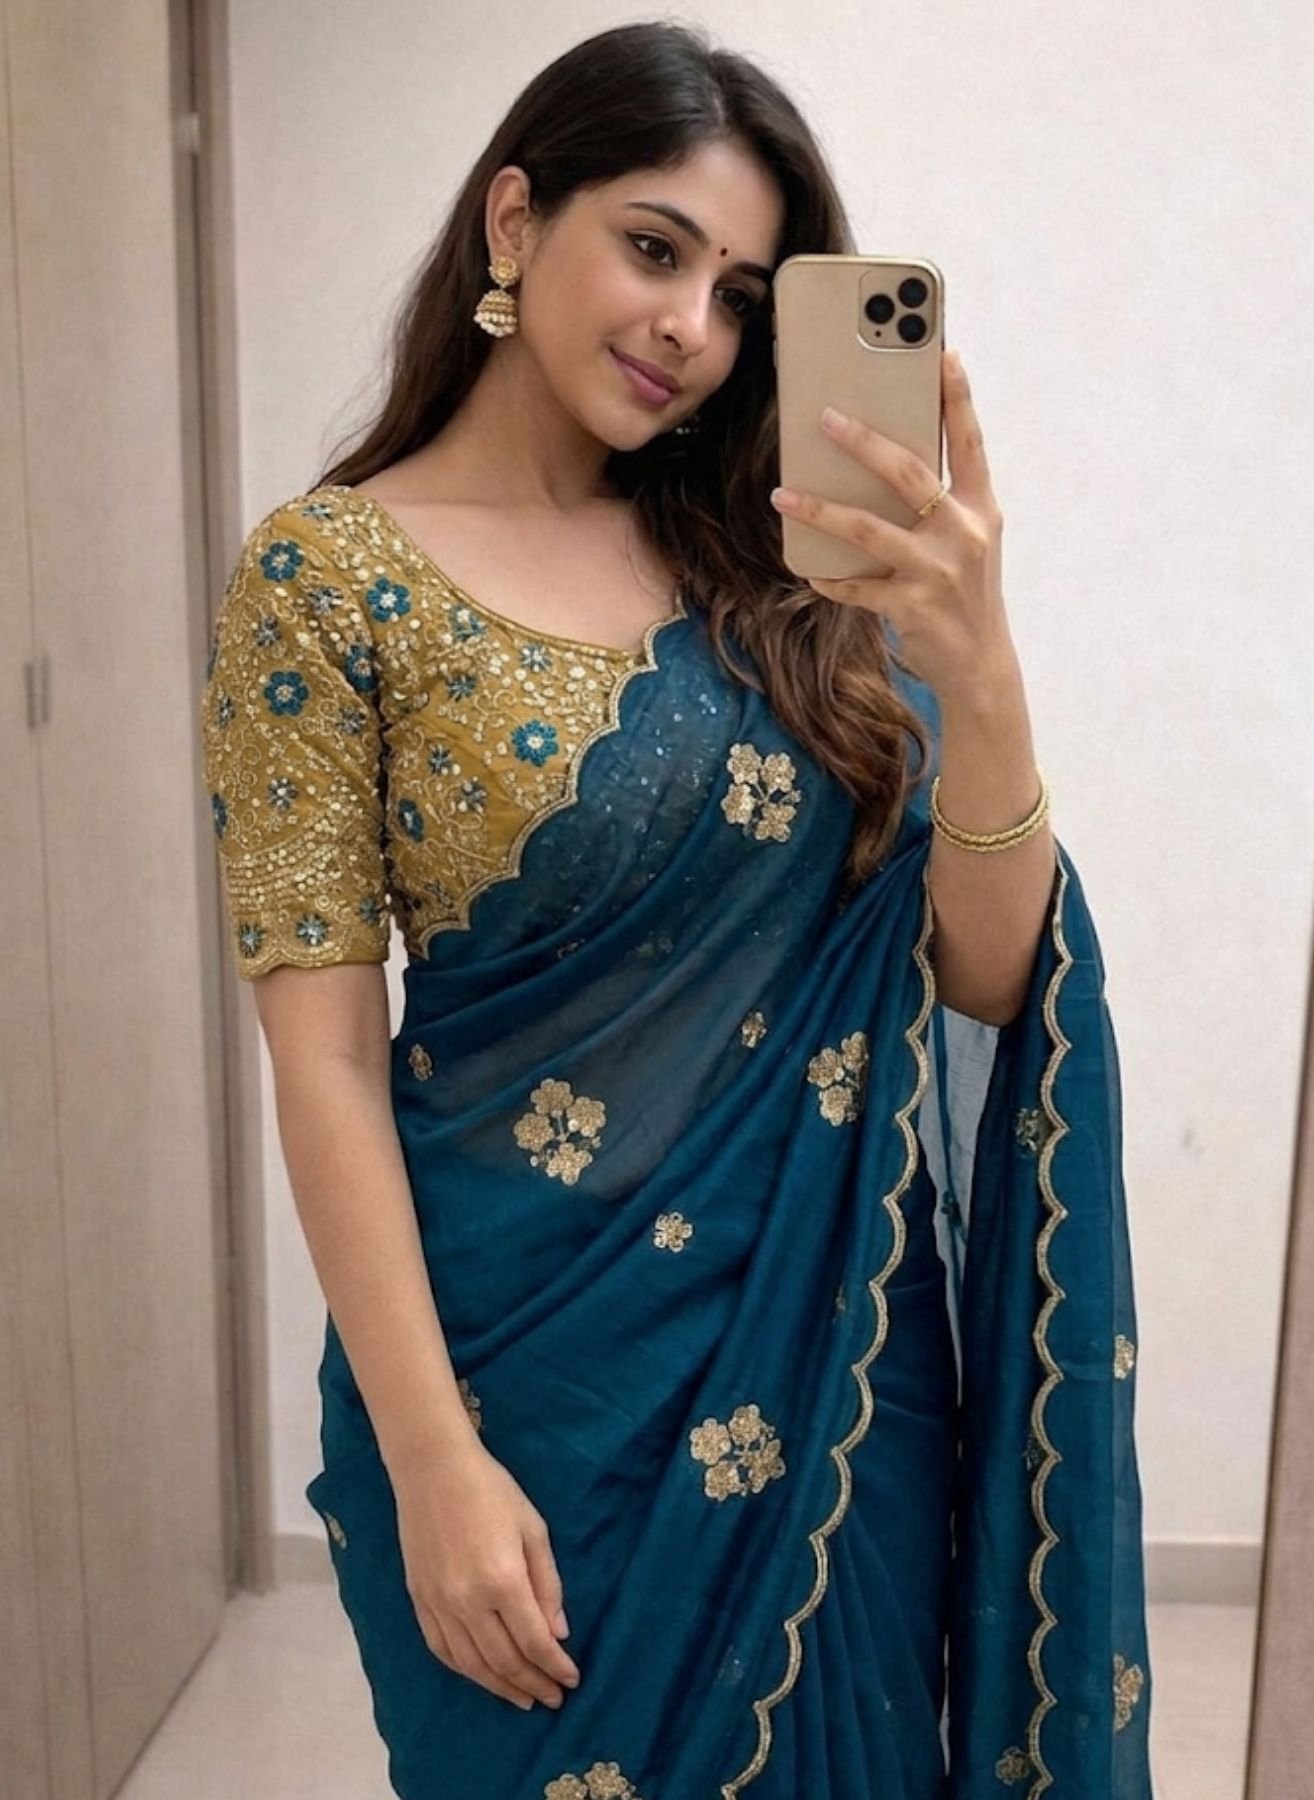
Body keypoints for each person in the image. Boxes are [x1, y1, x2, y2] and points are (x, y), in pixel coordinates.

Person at [200, 21, 1153, 1800]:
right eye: (653, 249)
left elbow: (982, 979)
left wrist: (983, 671)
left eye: (740, 295)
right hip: (509, 1388)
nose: (690, 328)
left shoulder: (785, 575)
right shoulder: (323, 582)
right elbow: (322, 1063)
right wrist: (430, 1462)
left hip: (828, 1363)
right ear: (513, 220)